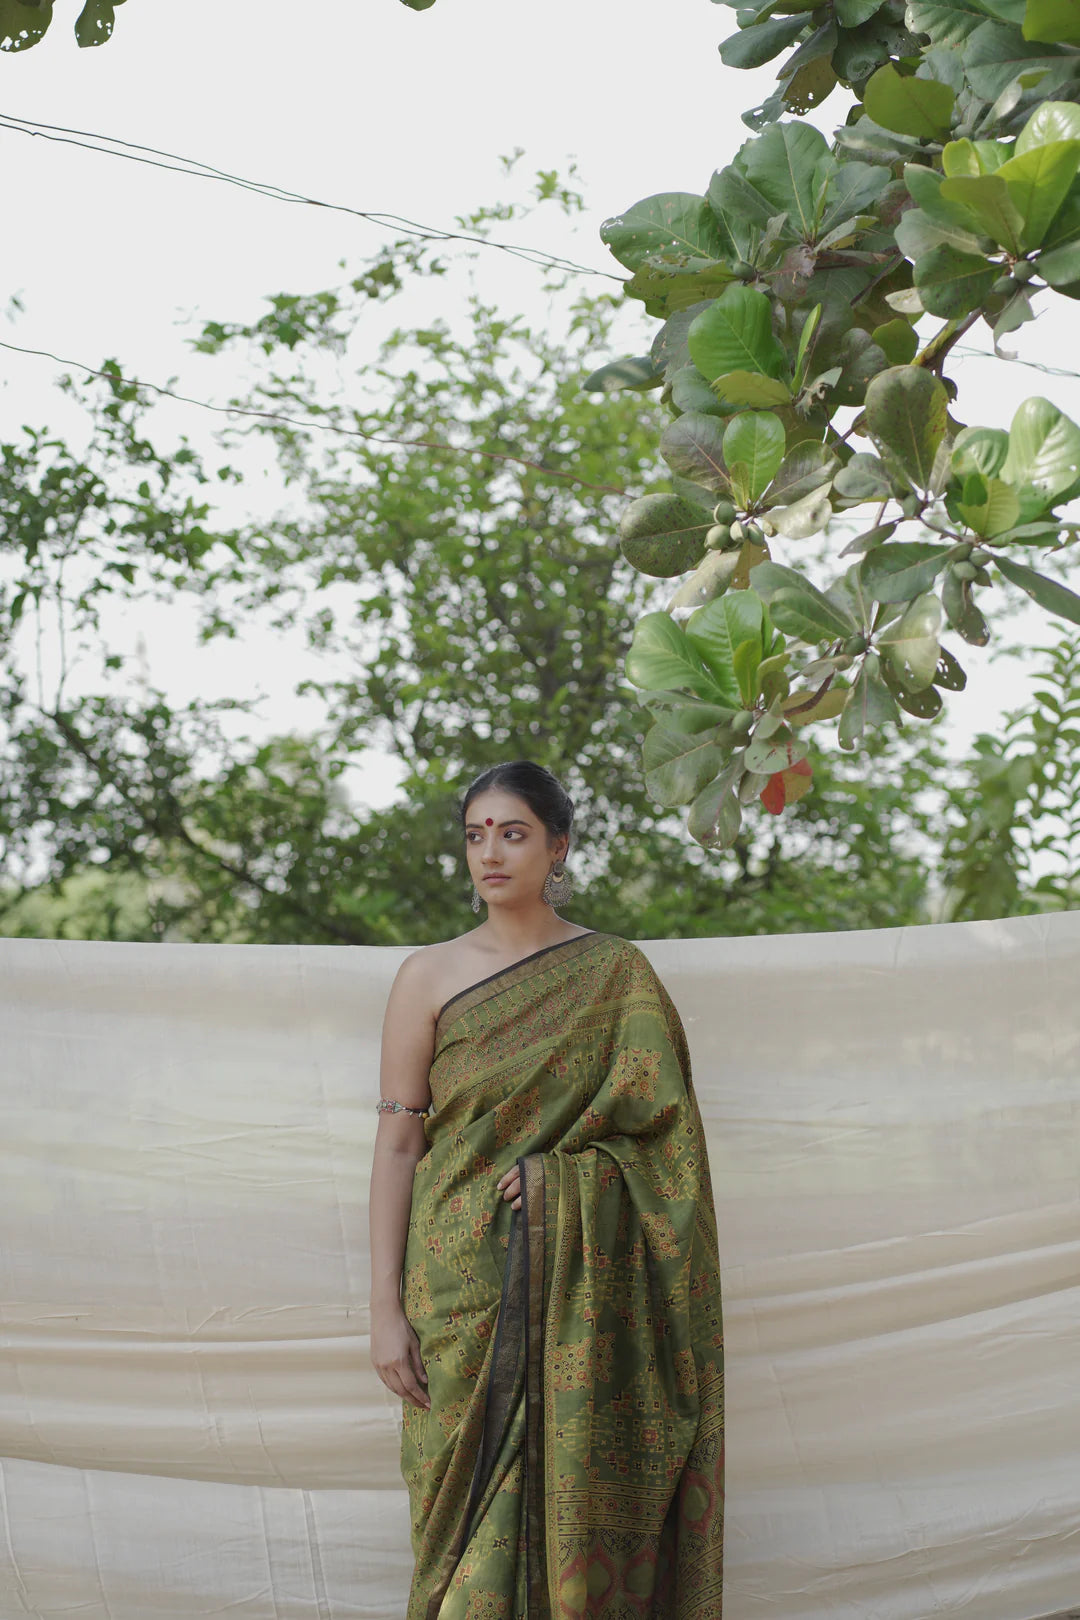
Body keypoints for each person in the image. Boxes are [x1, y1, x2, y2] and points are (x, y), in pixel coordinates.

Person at [368, 761, 724, 1619]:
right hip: (457, 1294)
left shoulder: (616, 976)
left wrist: (566, 1186)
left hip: (581, 1297)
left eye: (513, 833)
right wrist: (385, 1307)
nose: (490, 852)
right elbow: (399, 1141)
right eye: (475, 834)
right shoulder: (426, 976)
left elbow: (665, 1147)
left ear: (558, 847)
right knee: (456, 1542)